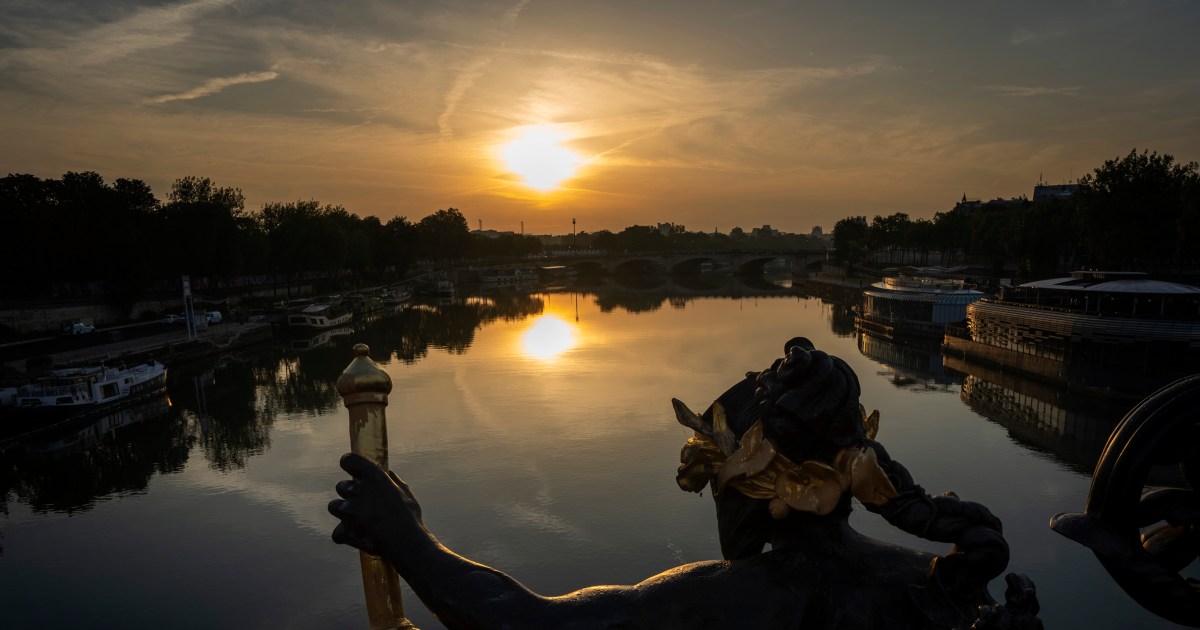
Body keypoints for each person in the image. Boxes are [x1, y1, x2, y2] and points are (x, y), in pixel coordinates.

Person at [329, 338, 1042, 629]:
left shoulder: (727, 601)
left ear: (756, 483)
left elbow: (526, 623)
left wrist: (406, 537)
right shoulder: (939, 582)